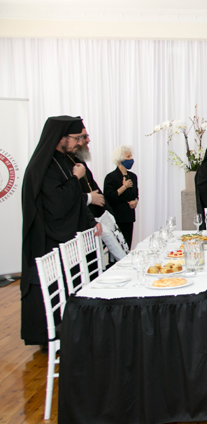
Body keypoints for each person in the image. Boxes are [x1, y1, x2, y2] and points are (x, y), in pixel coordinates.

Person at [20, 116, 101, 346]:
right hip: (49, 240)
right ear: (61, 137)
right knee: (53, 293)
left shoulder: (67, 160)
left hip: (67, 237)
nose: (80, 143)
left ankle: (72, 334)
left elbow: (76, 200)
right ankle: (52, 338)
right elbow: (57, 204)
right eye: (76, 138)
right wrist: (76, 178)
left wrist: (90, 221)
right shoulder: (42, 166)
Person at [104, 145, 139, 248]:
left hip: (129, 217)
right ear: (120, 159)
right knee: (118, 248)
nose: (131, 159)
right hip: (117, 217)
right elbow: (109, 197)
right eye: (128, 156)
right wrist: (124, 187)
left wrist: (135, 201)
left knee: (128, 245)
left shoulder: (133, 176)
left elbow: (136, 194)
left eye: (131, 156)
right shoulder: (111, 177)